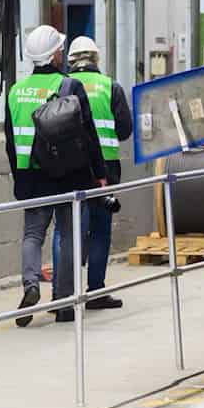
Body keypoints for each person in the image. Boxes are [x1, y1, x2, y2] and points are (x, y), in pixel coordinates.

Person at [5, 26, 106, 326]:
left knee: (33, 235)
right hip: (67, 174)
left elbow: (11, 141)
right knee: (66, 234)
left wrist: (18, 176)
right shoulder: (69, 87)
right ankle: (63, 302)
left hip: (29, 176)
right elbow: (89, 135)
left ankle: (31, 285)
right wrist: (99, 173)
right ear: (55, 54)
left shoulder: (14, 91)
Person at [56, 36, 133, 309]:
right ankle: (96, 291)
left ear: (71, 61)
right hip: (107, 167)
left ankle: (62, 294)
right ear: (96, 59)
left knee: (67, 230)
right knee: (101, 230)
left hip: (73, 166)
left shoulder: (63, 86)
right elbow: (125, 130)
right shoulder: (111, 87)